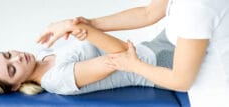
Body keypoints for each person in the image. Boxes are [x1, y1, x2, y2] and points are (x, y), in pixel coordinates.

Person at [38, 0, 229, 106]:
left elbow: (181, 81)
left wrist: (133, 65)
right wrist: (90, 24)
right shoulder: (53, 78)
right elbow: (148, 13)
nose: (17, 57)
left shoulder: (196, 7)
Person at [0, 20, 157, 95]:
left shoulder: (43, 55)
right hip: (157, 65)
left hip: (151, 45)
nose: (17, 58)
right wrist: (73, 26)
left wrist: (78, 24)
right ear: (16, 85)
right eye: (12, 69)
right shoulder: (56, 79)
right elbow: (123, 58)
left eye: (9, 55)